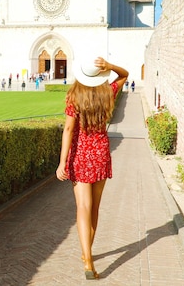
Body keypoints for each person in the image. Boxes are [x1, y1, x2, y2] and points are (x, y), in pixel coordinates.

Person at [56, 56, 128, 280]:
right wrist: (110, 66)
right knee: (94, 208)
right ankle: (88, 255)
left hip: (80, 155)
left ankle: (87, 258)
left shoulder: (74, 96)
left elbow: (68, 130)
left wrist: (61, 162)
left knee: (82, 207)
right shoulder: (108, 92)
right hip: (100, 154)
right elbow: (125, 75)